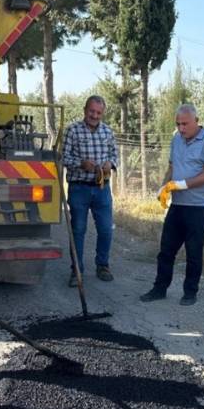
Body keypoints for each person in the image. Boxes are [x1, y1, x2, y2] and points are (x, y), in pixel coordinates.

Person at [140, 104, 204, 306]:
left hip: (199, 206)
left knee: (194, 252)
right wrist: (164, 186)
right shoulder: (177, 139)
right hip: (177, 205)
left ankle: (190, 292)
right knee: (166, 250)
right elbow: (172, 166)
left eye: (185, 124)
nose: (181, 128)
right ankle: (159, 288)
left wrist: (182, 184)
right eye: (178, 124)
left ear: (196, 121)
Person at [62, 95, 118, 286]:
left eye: (98, 112)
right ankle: (76, 271)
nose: (94, 115)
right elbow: (64, 158)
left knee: (105, 229)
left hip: (102, 189)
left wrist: (111, 163)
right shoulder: (72, 131)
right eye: (91, 111)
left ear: (103, 113)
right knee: (78, 230)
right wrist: (81, 164)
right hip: (79, 188)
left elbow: (114, 155)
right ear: (85, 110)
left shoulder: (108, 132)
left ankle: (103, 266)